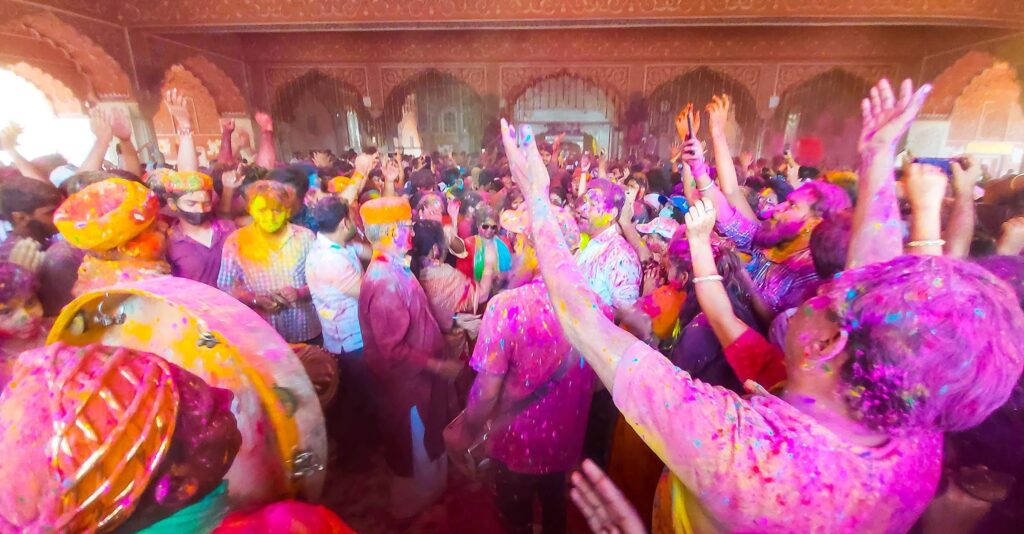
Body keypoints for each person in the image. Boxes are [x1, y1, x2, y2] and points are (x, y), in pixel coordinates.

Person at [497, 71, 1024, 531]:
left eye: (822, 297)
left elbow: (586, 322)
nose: (812, 298)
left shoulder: (750, 457)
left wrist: (538, 198)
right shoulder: (914, 433)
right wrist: (878, 155)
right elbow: (874, 278)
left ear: (826, 342)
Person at [449, 205, 590, 534]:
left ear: (535, 251)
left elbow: (485, 392)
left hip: (516, 446)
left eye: (520, 244)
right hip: (565, 444)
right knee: (556, 511)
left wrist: (468, 431)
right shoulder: (593, 301)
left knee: (514, 519)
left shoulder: (507, 308)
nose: (514, 252)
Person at [357, 196, 459, 521]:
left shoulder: (395, 266)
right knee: (418, 449)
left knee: (429, 443)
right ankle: (417, 508)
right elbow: (393, 350)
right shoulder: (384, 281)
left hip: (423, 380)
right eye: (406, 227)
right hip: (409, 387)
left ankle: (430, 495)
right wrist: (438, 365)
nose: (412, 234)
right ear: (389, 231)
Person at [305, 195, 376, 468]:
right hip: (350, 340)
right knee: (357, 401)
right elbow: (369, 294)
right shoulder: (329, 260)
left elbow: (366, 252)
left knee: (357, 398)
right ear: (345, 221)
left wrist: (383, 252)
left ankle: (359, 450)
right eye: (352, 218)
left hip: (351, 334)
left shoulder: (336, 243)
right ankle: (355, 460)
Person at [218, 180, 320, 344]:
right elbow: (226, 286)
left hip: (305, 329)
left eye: (276, 210)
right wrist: (254, 299)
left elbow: (323, 280)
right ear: (250, 210)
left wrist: (299, 293)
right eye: (262, 210)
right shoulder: (236, 242)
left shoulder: (305, 238)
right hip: (263, 336)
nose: (269, 217)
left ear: (287, 211)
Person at [53, 178, 171, 296]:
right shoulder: (140, 294)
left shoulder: (96, 269)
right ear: (127, 248)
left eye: (158, 220)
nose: (165, 227)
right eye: (154, 229)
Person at [0, 174, 80, 316]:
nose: (62, 215)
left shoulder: (47, 244)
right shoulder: (8, 261)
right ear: (20, 218)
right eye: (50, 212)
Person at [163, 170, 238, 286]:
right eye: (191, 204)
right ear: (172, 203)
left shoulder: (228, 229)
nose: (200, 209)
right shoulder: (169, 243)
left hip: (237, 302)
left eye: (206, 203)